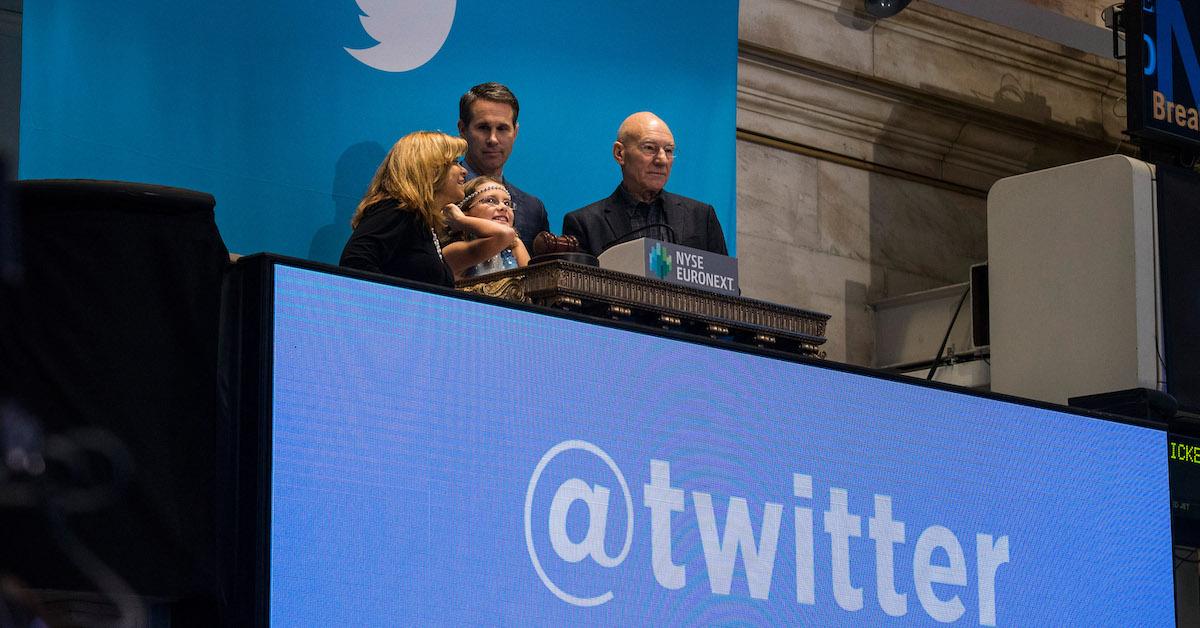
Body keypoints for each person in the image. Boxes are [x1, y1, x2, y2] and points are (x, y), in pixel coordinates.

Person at [562, 111, 727, 257]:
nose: (662, 160)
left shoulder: (701, 217)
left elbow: (726, 287)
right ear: (619, 153)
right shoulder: (585, 224)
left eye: (669, 150)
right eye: (649, 148)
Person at [339, 131, 467, 287]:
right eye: (454, 161)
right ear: (430, 168)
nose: (463, 170)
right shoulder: (398, 210)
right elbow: (355, 262)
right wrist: (397, 306)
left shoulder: (421, 222)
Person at [458, 82, 549, 252]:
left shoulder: (533, 210)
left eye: (502, 128)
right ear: (463, 129)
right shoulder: (437, 193)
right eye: (483, 127)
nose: (493, 139)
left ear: (515, 132)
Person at [442, 177, 530, 279]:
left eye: (507, 203)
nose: (503, 207)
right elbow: (504, 234)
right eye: (491, 201)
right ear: (465, 212)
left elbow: (532, 286)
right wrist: (460, 219)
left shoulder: (515, 245)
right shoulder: (454, 250)